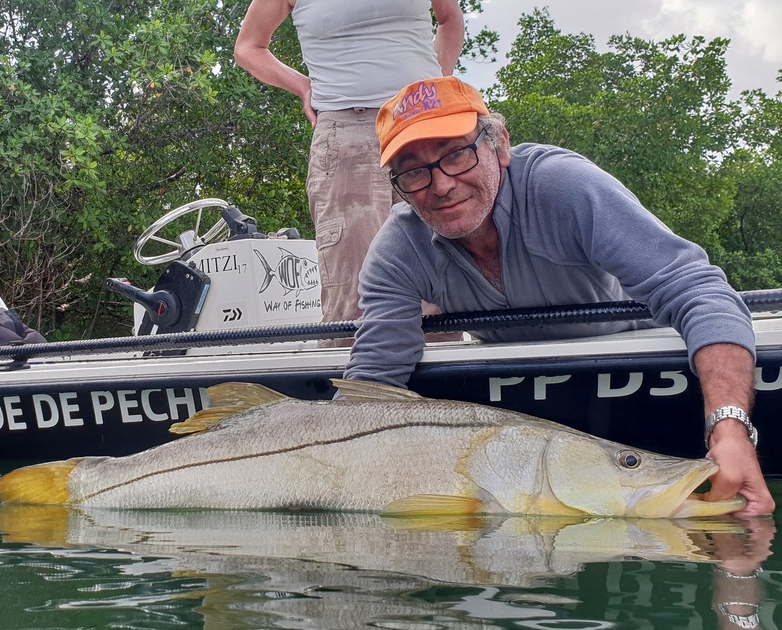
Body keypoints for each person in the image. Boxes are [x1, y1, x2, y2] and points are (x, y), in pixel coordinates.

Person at [343, 75, 775, 516]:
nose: (440, 185)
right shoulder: (397, 246)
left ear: (500, 145)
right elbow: (375, 376)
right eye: (414, 171)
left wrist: (730, 428)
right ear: (397, 186)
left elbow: (697, 289)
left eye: (456, 154)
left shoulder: (565, 187)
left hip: (635, 365)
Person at [234, 0, 465, 324]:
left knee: (443, 287)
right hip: (346, 133)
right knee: (356, 297)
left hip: (423, 127)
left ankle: (451, 375)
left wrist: (438, 78)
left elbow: (450, 19)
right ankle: (355, 375)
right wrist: (302, 86)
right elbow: (248, 47)